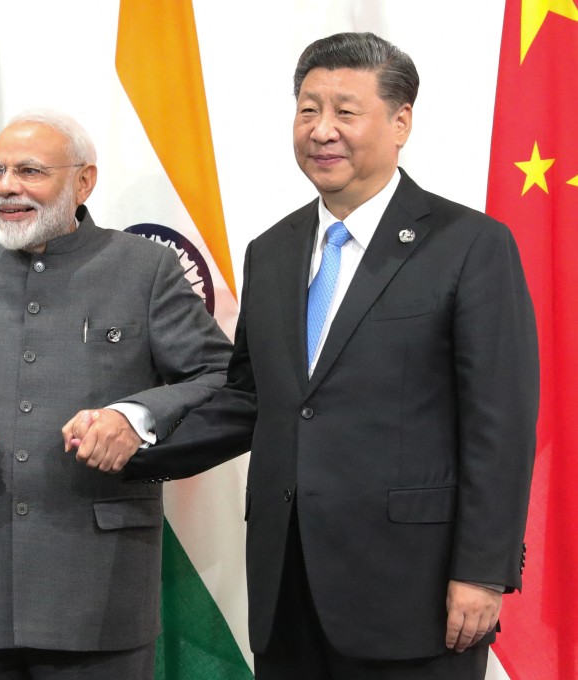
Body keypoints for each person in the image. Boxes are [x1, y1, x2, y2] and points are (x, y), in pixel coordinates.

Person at [128, 31, 539, 680]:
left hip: (417, 594)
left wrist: (483, 571)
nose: (322, 130)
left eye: (345, 112)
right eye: (307, 109)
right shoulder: (273, 250)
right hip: (285, 593)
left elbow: (501, 423)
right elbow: (250, 399)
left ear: (401, 122)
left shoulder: (471, 245)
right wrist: (132, 437)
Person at [0, 110, 232, 679]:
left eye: (30, 170)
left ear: (84, 182)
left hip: (100, 593)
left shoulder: (145, 268)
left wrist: (135, 416)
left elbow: (220, 378)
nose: (6, 187)